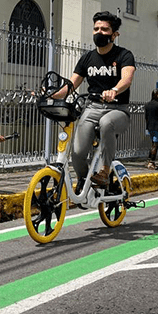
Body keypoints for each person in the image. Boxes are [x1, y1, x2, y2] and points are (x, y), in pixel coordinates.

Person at [50, 11, 135, 187]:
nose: (99, 32)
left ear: (114, 34)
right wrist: (51, 94)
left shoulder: (124, 55)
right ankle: (83, 181)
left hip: (118, 109)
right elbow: (71, 85)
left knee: (106, 123)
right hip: (92, 108)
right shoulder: (87, 58)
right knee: (78, 152)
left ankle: (104, 170)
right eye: (96, 28)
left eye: (104, 29)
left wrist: (114, 90)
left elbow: (127, 79)